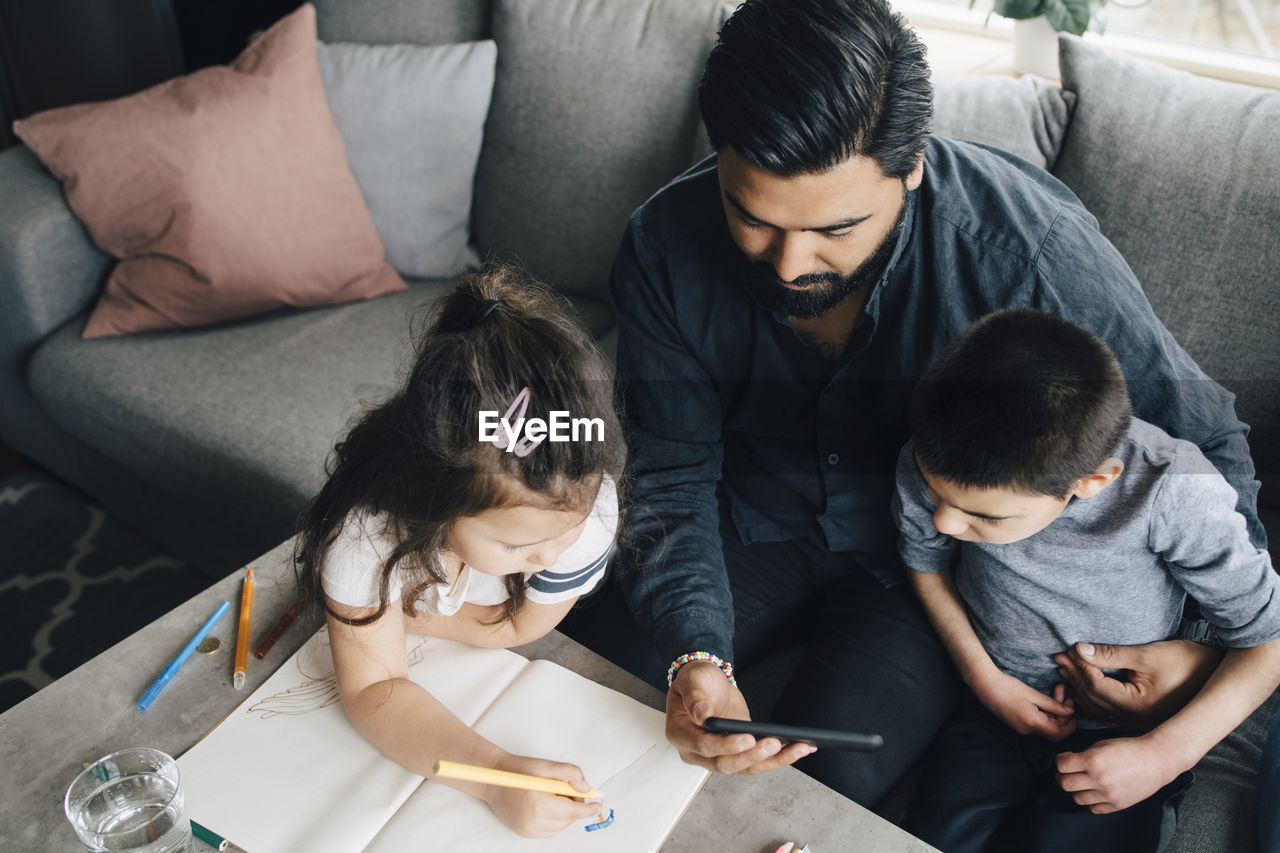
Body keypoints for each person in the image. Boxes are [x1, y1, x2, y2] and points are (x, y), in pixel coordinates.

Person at [567, 0, 1266, 808]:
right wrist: (696, 655)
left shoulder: (1029, 250)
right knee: (584, 702)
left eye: (837, 227)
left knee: (814, 799)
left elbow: (1202, 438)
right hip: (747, 523)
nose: (790, 263)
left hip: (932, 573)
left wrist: (1200, 647)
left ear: (914, 166)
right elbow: (673, 471)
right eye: (751, 217)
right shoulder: (662, 245)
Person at [892, 308, 1280, 852]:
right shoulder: (935, 451)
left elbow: (1268, 641)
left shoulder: (1173, 490)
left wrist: (1163, 755)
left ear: (1093, 482)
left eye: (986, 518)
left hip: (1127, 727)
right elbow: (926, 561)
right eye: (937, 497)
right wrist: (984, 678)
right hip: (993, 706)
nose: (945, 523)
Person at [294, 262, 626, 839]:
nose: (549, 556)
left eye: (560, 533)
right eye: (518, 543)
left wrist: (395, 617)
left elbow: (519, 627)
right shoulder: (365, 538)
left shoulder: (589, 515)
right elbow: (374, 690)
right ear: (435, 505)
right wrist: (495, 776)